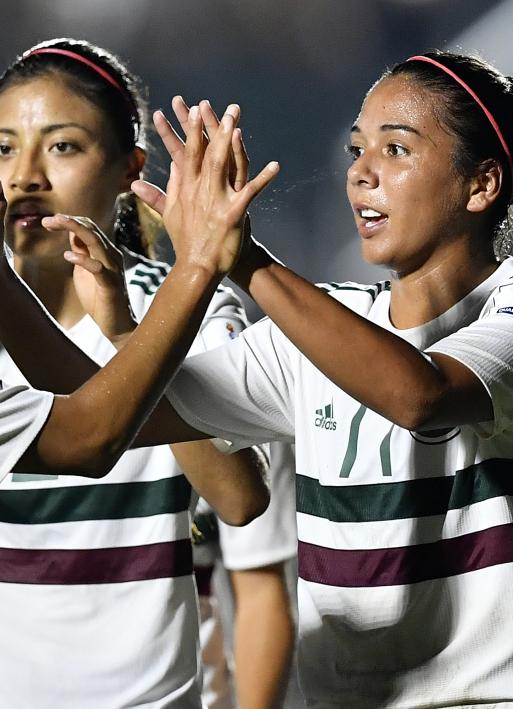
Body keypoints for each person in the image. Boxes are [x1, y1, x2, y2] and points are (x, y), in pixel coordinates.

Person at [6, 50, 513, 708]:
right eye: (355, 149)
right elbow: (102, 418)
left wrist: (238, 259)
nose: (361, 173)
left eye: (395, 150)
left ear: (481, 184)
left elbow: (419, 396)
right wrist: (113, 321)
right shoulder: (322, 326)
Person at [0, 38, 295, 709]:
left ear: (129, 166)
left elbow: (245, 515)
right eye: (3, 148)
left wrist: (130, 331)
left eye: (63, 146)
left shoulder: (190, 308)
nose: (24, 176)